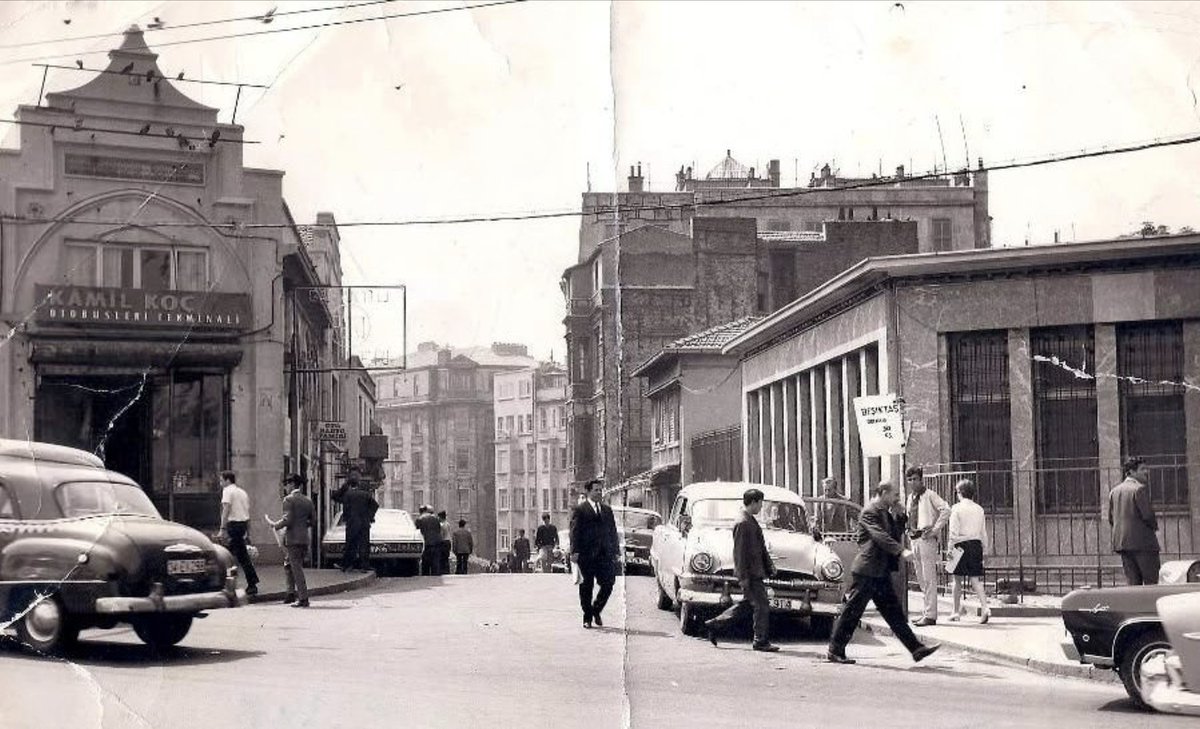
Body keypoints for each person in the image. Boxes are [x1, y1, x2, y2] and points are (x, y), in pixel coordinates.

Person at [826, 481, 941, 665]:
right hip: (867, 571)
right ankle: (835, 650)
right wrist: (901, 550)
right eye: (895, 495)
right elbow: (880, 536)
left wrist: (900, 517)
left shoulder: (885, 513)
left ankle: (916, 649)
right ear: (884, 493)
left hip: (880, 572)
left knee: (894, 613)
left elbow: (893, 534)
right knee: (852, 612)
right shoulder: (869, 512)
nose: (897, 498)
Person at [704, 488, 780, 652]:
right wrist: (743, 578)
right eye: (760, 503)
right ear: (753, 502)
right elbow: (739, 553)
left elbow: (759, 547)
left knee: (747, 605)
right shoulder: (743, 522)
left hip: (754, 572)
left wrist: (768, 566)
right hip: (750, 574)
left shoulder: (748, 520)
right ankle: (760, 640)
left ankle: (715, 624)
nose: (761, 507)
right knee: (761, 606)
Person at [570, 479, 619, 628]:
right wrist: (574, 551)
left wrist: (615, 550)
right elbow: (574, 532)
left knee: (608, 583)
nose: (599, 492)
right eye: (596, 490)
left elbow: (612, 531)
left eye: (600, 490)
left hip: (604, 555)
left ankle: (596, 609)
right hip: (586, 556)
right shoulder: (580, 510)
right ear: (588, 492)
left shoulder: (606, 510)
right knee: (586, 587)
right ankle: (587, 618)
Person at [905, 466, 950, 626]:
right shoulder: (910, 497)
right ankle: (926, 611)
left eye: (915, 479)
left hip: (926, 540)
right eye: (909, 479)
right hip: (914, 539)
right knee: (920, 577)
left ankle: (931, 615)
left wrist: (935, 529)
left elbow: (946, 510)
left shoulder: (930, 495)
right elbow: (909, 516)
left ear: (921, 479)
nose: (912, 482)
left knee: (929, 577)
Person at [1109, 456, 1161, 586]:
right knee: (1151, 582)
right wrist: (1154, 528)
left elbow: (1111, 519)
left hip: (1123, 544)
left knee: (1133, 584)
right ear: (1131, 472)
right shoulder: (1139, 489)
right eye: (1142, 469)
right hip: (1143, 544)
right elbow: (1148, 516)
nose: (1146, 472)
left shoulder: (1114, 491)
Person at [268, 474, 315, 608]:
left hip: (293, 539)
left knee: (296, 568)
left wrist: (275, 525)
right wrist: (301, 525)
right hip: (304, 538)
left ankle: (303, 598)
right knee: (289, 565)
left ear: (292, 484)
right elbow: (313, 521)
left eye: (286, 484)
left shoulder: (288, 500)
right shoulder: (308, 500)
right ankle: (290, 594)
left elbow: (287, 519)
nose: (285, 487)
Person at [947, 479, 991, 624]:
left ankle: (955, 611)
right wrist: (985, 547)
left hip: (959, 545)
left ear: (959, 493)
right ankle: (985, 607)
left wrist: (949, 548)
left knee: (956, 580)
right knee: (975, 579)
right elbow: (983, 532)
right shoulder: (979, 509)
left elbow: (953, 532)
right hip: (976, 545)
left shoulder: (956, 508)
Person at [217, 470, 259, 596]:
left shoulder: (227, 491)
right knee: (241, 556)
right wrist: (248, 531)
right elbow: (247, 513)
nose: (220, 483)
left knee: (225, 555)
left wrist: (222, 529)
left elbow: (226, 510)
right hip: (242, 525)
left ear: (227, 480)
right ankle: (251, 584)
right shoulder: (242, 492)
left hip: (233, 526)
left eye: (221, 480)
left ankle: (225, 584)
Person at [338, 477, 379, 573]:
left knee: (350, 544)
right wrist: (370, 516)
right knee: (364, 544)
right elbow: (375, 505)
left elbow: (346, 508)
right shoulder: (365, 494)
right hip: (364, 523)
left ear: (350, 485)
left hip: (352, 524)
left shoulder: (348, 494)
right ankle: (364, 566)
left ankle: (348, 565)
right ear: (358, 484)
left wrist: (346, 518)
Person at [414, 505, 443, 576]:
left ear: (420, 512)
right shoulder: (435, 518)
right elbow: (439, 530)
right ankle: (435, 575)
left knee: (426, 562)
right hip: (437, 542)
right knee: (435, 561)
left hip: (426, 542)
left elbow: (417, 531)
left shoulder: (419, 520)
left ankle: (426, 576)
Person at [437, 511, 453, 575]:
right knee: (446, 557)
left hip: (444, 542)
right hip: (448, 541)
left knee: (442, 557)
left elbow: (442, 535)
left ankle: (443, 570)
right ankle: (447, 570)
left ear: (441, 517)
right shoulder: (448, 524)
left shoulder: (442, 525)